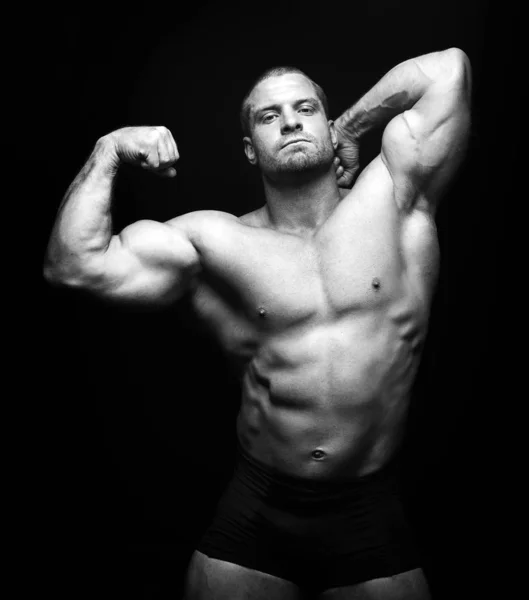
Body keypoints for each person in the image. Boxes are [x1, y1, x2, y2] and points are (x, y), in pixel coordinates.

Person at [44, 46, 472, 599]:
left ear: (327, 119)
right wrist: (109, 150)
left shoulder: (395, 198)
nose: (290, 121)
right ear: (250, 150)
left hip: (369, 510)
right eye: (270, 116)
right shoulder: (217, 240)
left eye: (305, 109)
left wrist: (353, 123)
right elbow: (73, 265)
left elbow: (449, 70)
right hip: (258, 511)